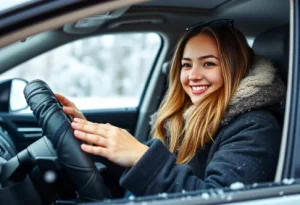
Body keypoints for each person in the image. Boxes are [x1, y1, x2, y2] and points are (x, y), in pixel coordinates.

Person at [55, 19, 286, 197]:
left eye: (208, 63)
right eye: (187, 65)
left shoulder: (255, 126)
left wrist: (142, 157)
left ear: (235, 69)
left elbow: (219, 198)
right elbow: (140, 161)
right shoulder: (186, 116)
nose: (193, 76)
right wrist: (92, 134)